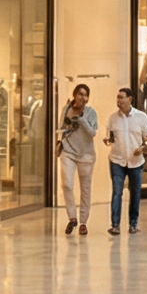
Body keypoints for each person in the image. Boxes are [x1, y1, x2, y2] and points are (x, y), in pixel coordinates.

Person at [105, 87, 147, 236]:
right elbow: (109, 137)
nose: (118, 100)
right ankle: (115, 225)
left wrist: (143, 147)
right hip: (117, 160)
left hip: (136, 162)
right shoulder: (112, 118)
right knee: (117, 192)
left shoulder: (142, 117)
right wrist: (107, 140)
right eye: (117, 97)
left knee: (135, 193)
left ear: (130, 99)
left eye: (121, 97)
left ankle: (133, 224)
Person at [57, 82, 100, 235]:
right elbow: (61, 128)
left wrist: (81, 119)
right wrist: (59, 138)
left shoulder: (91, 112)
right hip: (68, 151)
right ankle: (72, 218)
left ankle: (83, 222)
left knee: (85, 188)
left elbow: (92, 133)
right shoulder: (66, 109)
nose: (83, 97)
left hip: (86, 154)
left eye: (86, 95)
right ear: (75, 95)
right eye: (80, 94)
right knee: (67, 184)